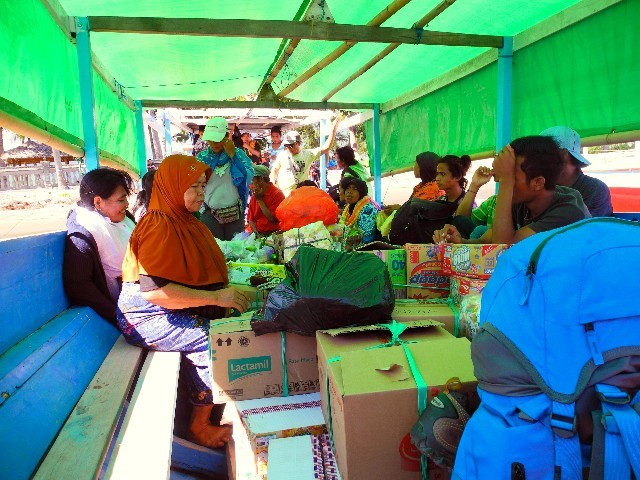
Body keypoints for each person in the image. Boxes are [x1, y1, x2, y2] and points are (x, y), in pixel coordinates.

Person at [118, 154, 250, 449]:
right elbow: (153, 292)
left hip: (168, 307)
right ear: (172, 188)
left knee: (229, 321)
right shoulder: (158, 226)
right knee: (211, 339)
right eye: (194, 187)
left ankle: (221, 403)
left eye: (203, 186)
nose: (201, 193)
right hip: (145, 316)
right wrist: (216, 297)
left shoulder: (186, 220)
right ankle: (198, 426)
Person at [434, 135, 591, 245]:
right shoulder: (524, 202)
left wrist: (506, 181)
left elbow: (503, 246)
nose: (503, 183)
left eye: (510, 176)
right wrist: (461, 242)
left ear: (538, 183)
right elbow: (487, 239)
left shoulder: (569, 210)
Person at [63, 167, 135, 324]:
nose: (127, 204)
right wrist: (118, 316)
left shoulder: (124, 218)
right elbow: (79, 286)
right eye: (121, 200)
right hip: (125, 312)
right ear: (98, 202)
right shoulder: (82, 235)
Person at [197, 117, 254, 240]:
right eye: (210, 140)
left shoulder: (239, 155)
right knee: (214, 252)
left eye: (217, 140)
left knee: (235, 252)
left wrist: (233, 156)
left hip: (234, 215)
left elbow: (248, 177)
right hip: (209, 214)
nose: (213, 144)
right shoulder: (202, 158)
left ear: (226, 136)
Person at [540, 125, 613, 216]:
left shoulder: (595, 189)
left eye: (542, 153)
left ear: (564, 154)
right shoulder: (541, 187)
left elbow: (589, 228)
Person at [378, 151, 443, 238]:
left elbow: (416, 211)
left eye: (416, 164)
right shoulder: (421, 186)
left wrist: (399, 209)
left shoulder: (432, 189)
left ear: (424, 167)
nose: (413, 167)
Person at [271, 116, 340, 196]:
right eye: (286, 145)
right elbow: (274, 171)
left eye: (291, 145)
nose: (289, 148)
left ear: (298, 143)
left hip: (301, 197)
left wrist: (334, 129)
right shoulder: (282, 155)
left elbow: (326, 148)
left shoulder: (308, 154)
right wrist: (273, 185)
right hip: (284, 197)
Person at [339, 176, 380, 243]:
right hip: (351, 243)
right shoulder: (348, 207)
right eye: (348, 188)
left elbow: (366, 237)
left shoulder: (368, 210)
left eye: (355, 189)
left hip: (367, 248)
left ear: (361, 192)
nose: (349, 192)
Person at [247, 165, 285, 236]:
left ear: (260, 180)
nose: (251, 185)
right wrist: (256, 234)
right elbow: (251, 219)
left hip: (273, 233)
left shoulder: (277, 194)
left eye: (252, 181)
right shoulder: (255, 195)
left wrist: (260, 200)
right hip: (258, 233)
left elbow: (271, 218)